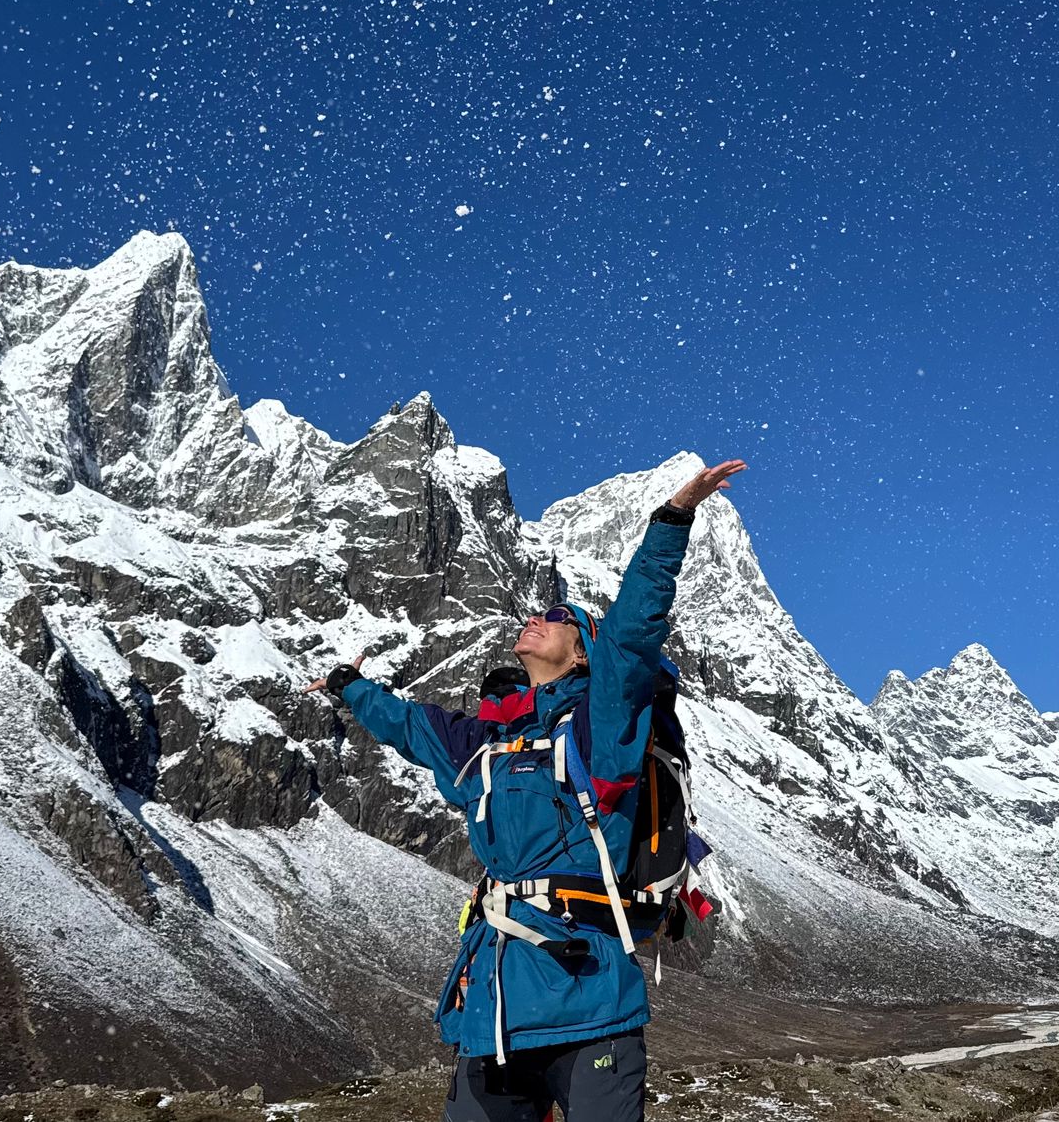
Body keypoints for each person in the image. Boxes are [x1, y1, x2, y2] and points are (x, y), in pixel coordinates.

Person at [304, 459, 746, 1121]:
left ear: (584, 652)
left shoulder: (600, 730)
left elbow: (631, 634)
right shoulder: (487, 745)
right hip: (493, 1004)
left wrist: (672, 521)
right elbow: (408, 725)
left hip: (587, 998)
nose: (539, 618)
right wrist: (349, 686)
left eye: (559, 617)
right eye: (538, 612)